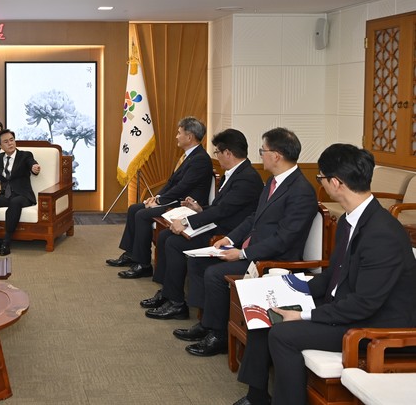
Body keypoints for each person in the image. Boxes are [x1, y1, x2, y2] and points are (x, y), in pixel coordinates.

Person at [235, 144, 416, 405]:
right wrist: (289, 287)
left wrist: (302, 315)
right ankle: (257, 396)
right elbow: (335, 275)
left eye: (321, 177)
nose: (320, 183)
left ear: (336, 183)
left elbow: (364, 303)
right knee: (264, 311)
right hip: (346, 305)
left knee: (283, 335)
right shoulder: (349, 220)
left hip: (374, 324)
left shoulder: (382, 234)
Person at [175, 127, 316, 357]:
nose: (260, 155)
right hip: (252, 250)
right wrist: (229, 239)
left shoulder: (301, 191)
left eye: (263, 151)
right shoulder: (273, 182)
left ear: (276, 156)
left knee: (214, 273)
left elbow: (284, 240)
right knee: (199, 261)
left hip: (272, 260)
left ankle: (218, 335)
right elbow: (253, 218)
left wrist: (241, 254)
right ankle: (207, 324)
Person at [142, 128, 263, 320]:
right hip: (217, 225)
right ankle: (168, 293)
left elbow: (223, 211)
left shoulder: (247, 178)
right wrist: (200, 209)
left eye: (217, 152)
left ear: (228, 153)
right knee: (165, 236)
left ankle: (177, 303)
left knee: (174, 242)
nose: (216, 156)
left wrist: (186, 221)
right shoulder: (235, 173)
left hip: (227, 234)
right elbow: (221, 207)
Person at [105, 116, 213, 279]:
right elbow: (172, 183)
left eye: (179, 133)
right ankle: (131, 254)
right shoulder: (189, 156)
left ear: (189, 137)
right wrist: (156, 197)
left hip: (186, 207)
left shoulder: (200, 159)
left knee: (142, 214)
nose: (176, 136)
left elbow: (183, 187)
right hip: (175, 200)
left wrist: (159, 201)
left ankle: (143, 264)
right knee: (134, 208)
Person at [0, 129, 40, 256]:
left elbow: (31, 163)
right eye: (6, 142)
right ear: (0, 146)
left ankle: (6, 242)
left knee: (15, 202)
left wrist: (34, 167)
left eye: (12, 140)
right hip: (5, 195)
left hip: (23, 195)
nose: (10, 143)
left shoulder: (25, 155)